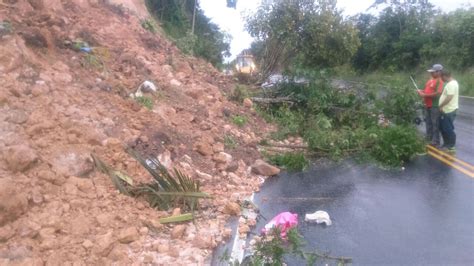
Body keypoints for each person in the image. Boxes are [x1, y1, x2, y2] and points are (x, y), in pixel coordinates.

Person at [417, 64, 444, 146]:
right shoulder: (430, 80)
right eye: (431, 72)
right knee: (428, 122)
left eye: (433, 72)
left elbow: (438, 93)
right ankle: (429, 137)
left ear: (439, 72)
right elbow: (427, 90)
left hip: (434, 105)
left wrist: (425, 95)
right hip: (427, 104)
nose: (431, 73)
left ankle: (436, 141)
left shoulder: (440, 81)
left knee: (435, 123)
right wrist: (422, 91)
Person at [439, 70, 459, 152]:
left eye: (441, 77)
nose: (441, 79)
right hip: (447, 110)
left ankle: (451, 146)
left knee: (448, 128)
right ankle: (446, 144)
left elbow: (449, 97)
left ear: (445, 76)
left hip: (449, 110)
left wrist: (441, 105)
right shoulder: (453, 83)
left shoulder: (451, 84)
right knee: (443, 127)